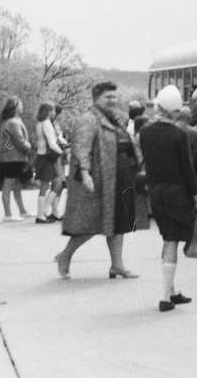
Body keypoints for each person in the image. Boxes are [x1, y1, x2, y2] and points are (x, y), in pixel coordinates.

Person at [55, 82, 140, 280]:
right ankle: (64, 256)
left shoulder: (116, 118)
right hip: (100, 179)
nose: (112, 100)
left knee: (119, 224)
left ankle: (117, 266)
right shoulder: (88, 119)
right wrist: (85, 173)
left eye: (114, 96)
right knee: (92, 224)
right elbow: (81, 149)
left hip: (119, 176)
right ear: (96, 99)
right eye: (107, 97)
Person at [139, 86, 197, 312]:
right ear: (175, 111)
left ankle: (172, 290)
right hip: (177, 193)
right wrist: (196, 198)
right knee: (172, 242)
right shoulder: (179, 134)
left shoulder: (145, 132)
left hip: (155, 192)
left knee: (167, 239)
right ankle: (166, 297)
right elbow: (187, 169)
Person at [0, 96, 32, 221]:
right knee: (8, 185)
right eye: (21, 105)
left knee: (17, 185)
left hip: (13, 157)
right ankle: (8, 215)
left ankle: (22, 211)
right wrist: (29, 146)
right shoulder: (13, 122)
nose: (22, 107)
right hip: (11, 158)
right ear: (15, 107)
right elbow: (19, 141)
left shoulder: (12, 121)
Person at [34, 102, 64, 224]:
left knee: (46, 185)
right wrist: (61, 151)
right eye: (52, 110)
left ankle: (45, 213)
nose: (54, 113)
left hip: (41, 156)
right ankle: (42, 213)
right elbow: (52, 143)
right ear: (47, 111)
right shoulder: (47, 124)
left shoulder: (39, 123)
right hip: (49, 157)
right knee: (55, 184)